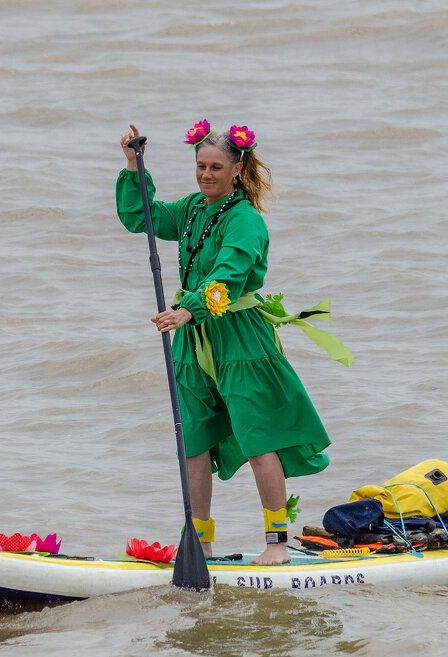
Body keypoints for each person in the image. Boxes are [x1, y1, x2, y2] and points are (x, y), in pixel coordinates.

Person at [116, 120, 333, 566]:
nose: (206, 175)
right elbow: (143, 216)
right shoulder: (193, 209)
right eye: (200, 166)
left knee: (259, 442)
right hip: (194, 338)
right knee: (193, 442)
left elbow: (228, 277)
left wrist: (188, 308)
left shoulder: (246, 221)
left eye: (216, 167)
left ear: (237, 169)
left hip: (240, 340)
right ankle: (200, 540)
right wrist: (134, 164)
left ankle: (276, 542)